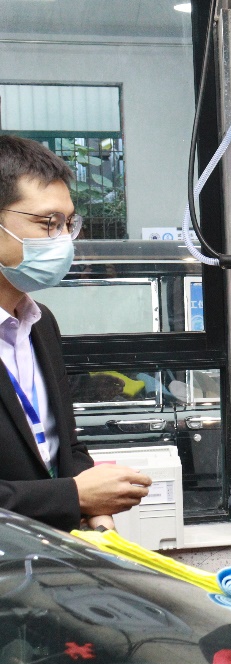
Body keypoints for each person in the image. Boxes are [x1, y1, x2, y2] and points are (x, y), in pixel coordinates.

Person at [0, 135, 149, 532]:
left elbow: (64, 445)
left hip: (51, 553)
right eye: (48, 223)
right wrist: (74, 497)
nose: (64, 239)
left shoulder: (40, 323)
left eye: (68, 223)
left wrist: (98, 516)